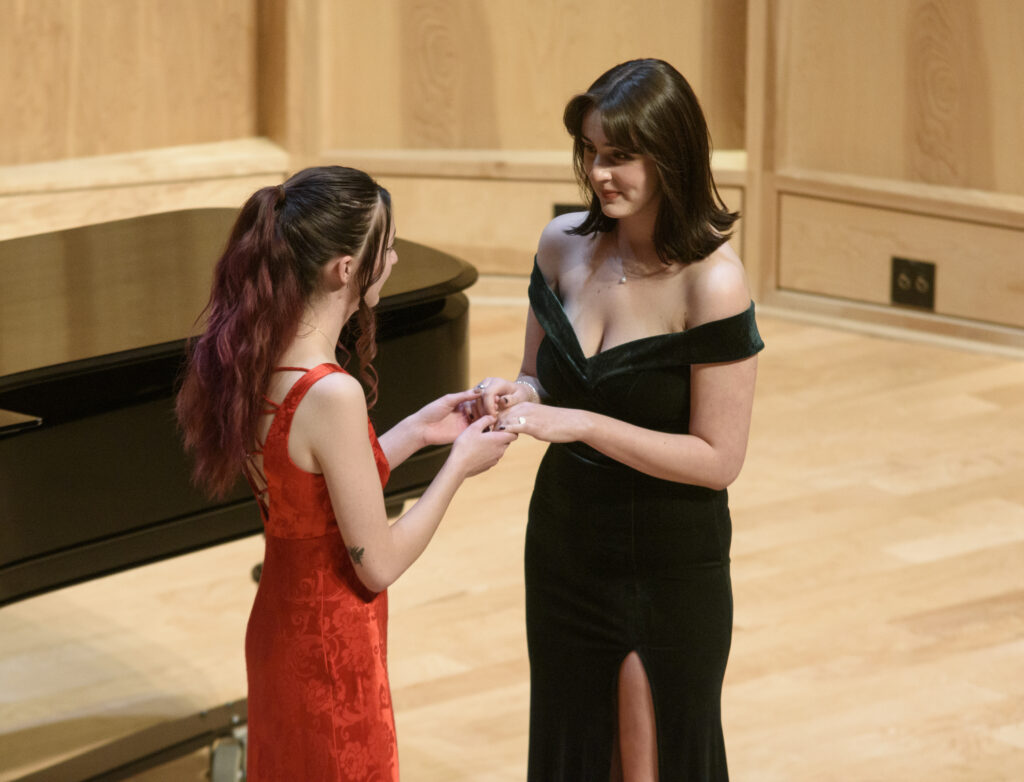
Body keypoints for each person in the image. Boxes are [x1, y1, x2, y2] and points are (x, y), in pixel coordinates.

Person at [471, 59, 764, 781]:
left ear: (671, 156)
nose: (601, 174)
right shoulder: (561, 244)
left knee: (648, 757)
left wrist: (584, 425)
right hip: (566, 544)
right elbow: (539, 375)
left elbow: (719, 458)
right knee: (575, 746)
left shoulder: (714, 281)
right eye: (594, 153)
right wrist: (518, 396)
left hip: (666, 560)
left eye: (622, 155)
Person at [175, 166, 515, 781]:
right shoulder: (333, 394)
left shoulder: (262, 359)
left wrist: (418, 431)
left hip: (279, 630)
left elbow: (310, 494)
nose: (391, 259)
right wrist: (459, 464)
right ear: (344, 269)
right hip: (330, 650)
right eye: (382, 249)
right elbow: (377, 563)